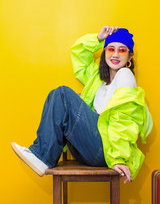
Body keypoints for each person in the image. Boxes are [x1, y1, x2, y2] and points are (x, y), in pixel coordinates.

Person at [11, 25, 153, 184]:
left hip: (106, 151)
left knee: (63, 93)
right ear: (105, 51)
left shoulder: (125, 77)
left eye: (122, 50)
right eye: (111, 49)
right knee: (55, 94)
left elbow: (124, 121)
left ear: (130, 56)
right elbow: (79, 55)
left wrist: (118, 158)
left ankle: (42, 156)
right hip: (87, 147)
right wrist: (98, 39)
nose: (115, 55)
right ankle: (43, 155)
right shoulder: (98, 79)